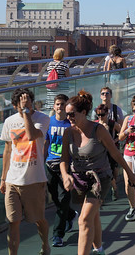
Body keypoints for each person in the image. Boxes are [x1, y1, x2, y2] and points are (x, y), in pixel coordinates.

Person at [60, 90, 135, 255]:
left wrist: (130, 173)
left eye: (72, 114)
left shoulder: (98, 130)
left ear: (84, 113)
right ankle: (99, 249)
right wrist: (66, 175)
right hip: (78, 178)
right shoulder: (68, 133)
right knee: (92, 216)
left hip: (100, 178)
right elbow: (63, 159)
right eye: (67, 115)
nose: (69, 118)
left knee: (84, 220)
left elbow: (115, 153)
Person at [0, 88, 51, 255]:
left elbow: (31, 135)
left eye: (28, 101)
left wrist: (27, 113)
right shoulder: (9, 121)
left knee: (38, 219)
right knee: (12, 222)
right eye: (21, 104)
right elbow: (8, 150)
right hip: (12, 180)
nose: (25, 105)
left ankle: (45, 245)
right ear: (15, 106)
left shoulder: (42, 118)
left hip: (34, 180)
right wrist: (3, 178)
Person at [45, 94, 77, 248]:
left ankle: (58, 235)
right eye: (57, 104)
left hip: (67, 167)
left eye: (62, 104)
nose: (60, 107)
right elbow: (46, 144)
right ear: (54, 106)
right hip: (51, 165)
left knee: (63, 199)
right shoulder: (48, 122)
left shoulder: (71, 124)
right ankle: (70, 215)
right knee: (55, 197)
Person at [94, 104, 122, 201]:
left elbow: (121, 132)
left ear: (107, 114)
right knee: (104, 172)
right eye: (98, 115)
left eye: (102, 115)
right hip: (100, 152)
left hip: (111, 151)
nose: (100, 117)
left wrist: (115, 140)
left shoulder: (112, 124)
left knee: (112, 172)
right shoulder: (96, 124)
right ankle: (104, 193)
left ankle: (114, 188)